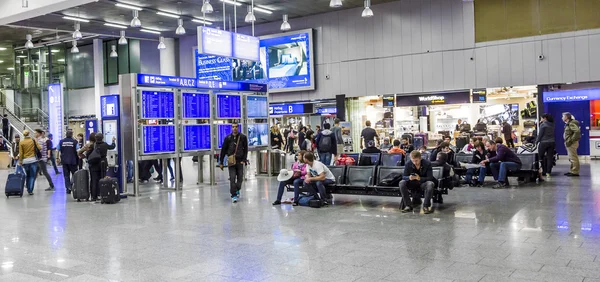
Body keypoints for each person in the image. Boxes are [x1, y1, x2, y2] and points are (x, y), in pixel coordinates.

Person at [219, 122, 248, 203]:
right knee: (232, 178)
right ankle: (233, 195)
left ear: (238, 128)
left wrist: (244, 159)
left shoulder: (243, 137)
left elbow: (245, 149)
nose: (234, 128)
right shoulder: (228, 138)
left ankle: (237, 188)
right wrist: (221, 162)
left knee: (240, 178)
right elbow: (223, 150)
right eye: (233, 127)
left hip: (240, 161)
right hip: (231, 161)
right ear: (231, 128)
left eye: (236, 127)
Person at [88, 133, 116, 201]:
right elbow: (112, 146)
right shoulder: (105, 145)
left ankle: (93, 196)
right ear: (102, 138)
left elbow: (88, 154)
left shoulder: (92, 145)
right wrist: (113, 141)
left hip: (94, 164)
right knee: (102, 179)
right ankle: (101, 194)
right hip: (102, 164)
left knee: (94, 180)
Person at [19, 130, 41, 195]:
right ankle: (30, 190)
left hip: (25, 161)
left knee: (27, 175)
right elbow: (39, 148)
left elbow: (21, 153)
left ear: (23, 135)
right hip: (33, 160)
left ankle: (28, 187)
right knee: (32, 176)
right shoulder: (33, 140)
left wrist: (20, 161)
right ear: (29, 134)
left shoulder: (21, 142)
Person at [57, 130, 79, 194]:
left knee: (66, 175)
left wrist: (57, 158)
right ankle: (72, 184)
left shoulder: (61, 142)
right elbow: (78, 150)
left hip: (64, 161)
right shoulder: (75, 142)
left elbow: (57, 150)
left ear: (66, 135)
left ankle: (68, 188)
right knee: (75, 174)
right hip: (73, 161)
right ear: (72, 135)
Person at [537, 113, 555, 178]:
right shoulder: (552, 124)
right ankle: (548, 173)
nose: (540, 119)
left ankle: (543, 171)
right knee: (549, 158)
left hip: (543, 142)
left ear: (545, 118)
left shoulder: (543, 125)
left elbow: (540, 135)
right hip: (552, 142)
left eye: (541, 118)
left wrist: (536, 142)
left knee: (540, 157)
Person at [562, 112, 581, 177]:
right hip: (569, 143)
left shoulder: (571, 123)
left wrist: (571, 140)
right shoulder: (568, 124)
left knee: (573, 157)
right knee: (571, 157)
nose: (562, 118)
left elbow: (577, 132)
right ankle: (572, 170)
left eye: (563, 116)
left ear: (566, 117)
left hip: (571, 143)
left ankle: (575, 171)